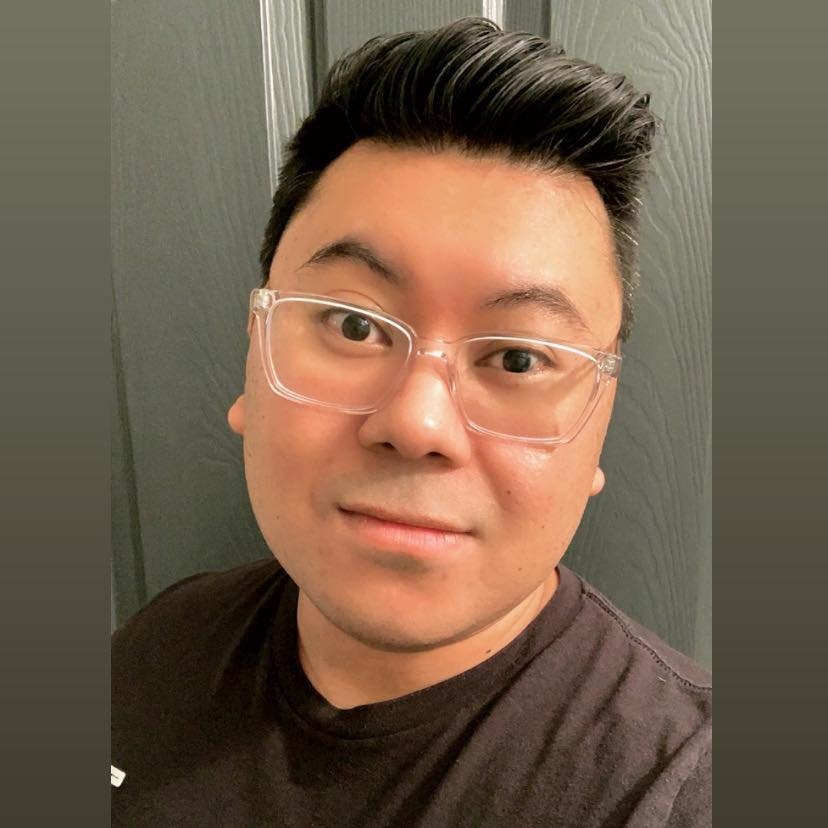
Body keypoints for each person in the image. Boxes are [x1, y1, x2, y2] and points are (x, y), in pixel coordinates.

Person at [111, 17, 711, 827]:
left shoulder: (683, 789)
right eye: (353, 325)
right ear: (254, 354)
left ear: (598, 427)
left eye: (519, 358)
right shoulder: (157, 649)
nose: (416, 422)